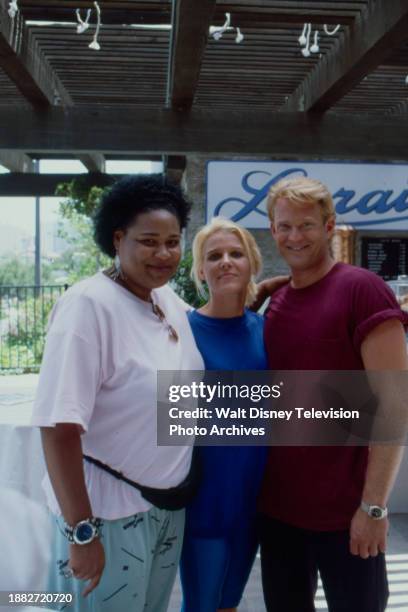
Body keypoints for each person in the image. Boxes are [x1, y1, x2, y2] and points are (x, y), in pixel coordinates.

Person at [31, 175, 204, 612]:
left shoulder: (165, 298)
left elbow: (210, 326)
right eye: (149, 241)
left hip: (166, 510)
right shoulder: (87, 306)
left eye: (172, 241)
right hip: (106, 516)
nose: (163, 254)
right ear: (118, 238)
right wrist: (81, 532)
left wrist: (264, 299)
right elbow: (57, 428)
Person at [258, 176, 408, 612]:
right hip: (278, 513)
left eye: (306, 225)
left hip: (347, 517)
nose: (294, 236)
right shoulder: (277, 300)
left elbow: (394, 405)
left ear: (329, 227)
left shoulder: (362, 289)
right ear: (272, 230)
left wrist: (374, 508)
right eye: (284, 226)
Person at [180, 217, 268, 612]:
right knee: (201, 605)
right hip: (205, 499)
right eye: (214, 256)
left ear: (252, 263)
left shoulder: (268, 329)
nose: (226, 262)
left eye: (236, 254)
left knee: (229, 604)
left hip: (256, 498)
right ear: (200, 270)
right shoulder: (181, 332)